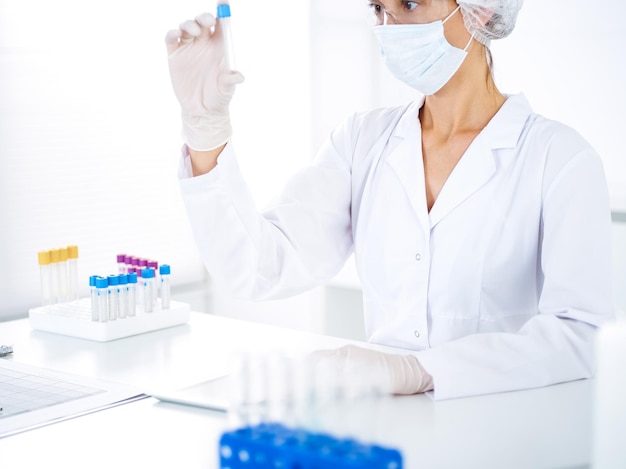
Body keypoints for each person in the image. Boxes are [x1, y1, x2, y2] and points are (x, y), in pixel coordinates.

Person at [165, 0, 614, 400]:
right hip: (387, 431)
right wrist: (206, 129)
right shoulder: (362, 141)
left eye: (410, 4)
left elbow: (580, 335)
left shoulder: (560, 159)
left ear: (481, 11)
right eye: (379, 8)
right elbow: (262, 269)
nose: (390, 26)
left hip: (505, 431)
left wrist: (423, 370)